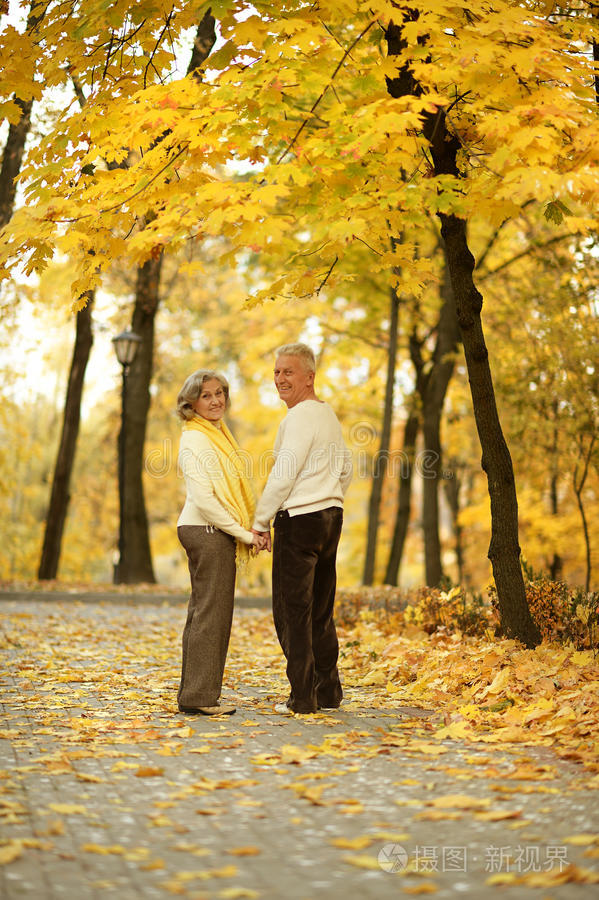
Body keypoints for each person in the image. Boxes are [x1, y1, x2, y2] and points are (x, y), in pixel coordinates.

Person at [252, 343, 353, 714]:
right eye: (277, 372)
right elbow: (346, 467)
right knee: (321, 610)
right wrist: (330, 496)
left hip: (300, 521)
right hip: (330, 518)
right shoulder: (327, 416)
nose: (280, 378)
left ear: (309, 377)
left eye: (288, 372)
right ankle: (328, 692)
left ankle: (303, 698)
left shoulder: (297, 418)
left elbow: (283, 475)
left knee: (292, 611)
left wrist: (261, 523)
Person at [175, 369, 266, 716]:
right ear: (191, 403)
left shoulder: (213, 435)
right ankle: (199, 697)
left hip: (206, 530)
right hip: (208, 531)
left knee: (203, 614)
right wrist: (246, 534)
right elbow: (205, 500)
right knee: (212, 616)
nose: (215, 401)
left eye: (219, 393)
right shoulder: (197, 439)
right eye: (206, 395)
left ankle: (194, 694)